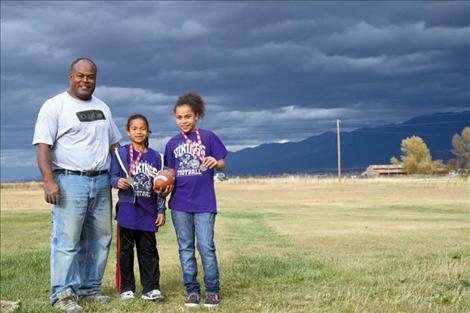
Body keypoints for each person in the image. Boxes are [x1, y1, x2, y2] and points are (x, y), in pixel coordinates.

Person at [32, 58, 121, 313]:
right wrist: (49, 181)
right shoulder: (54, 106)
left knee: (101, 238)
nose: (85, 81)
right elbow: (42, 145)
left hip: (102, 180)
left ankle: (90, 289)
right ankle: (63, 294)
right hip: (70, 180)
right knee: (67, 240)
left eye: (90, 77)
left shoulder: (103, 107)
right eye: (80, 76)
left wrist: (134, 166)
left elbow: (115, 145)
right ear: (71, 76)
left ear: (95, 79)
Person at [164, 92, 228, 308]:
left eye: (188, 117)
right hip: (180, 204)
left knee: (206, 246)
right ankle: (192, 290)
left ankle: (212, 290)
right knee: (185, 247)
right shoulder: (172, 143)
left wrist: (215, 162)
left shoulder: (208, 137)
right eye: (179, 117)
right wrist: (163, 184)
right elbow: (170, 171)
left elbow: (222, 164)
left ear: (197, 116)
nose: (183, 121)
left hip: (204, 203)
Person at [109, 114, 166, 302]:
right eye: (134, 128)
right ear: (128, 131)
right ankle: (127, 288)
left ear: (147, 131)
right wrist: (118, 181)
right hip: (127, 208)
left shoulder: (157, 157)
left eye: (142, 128)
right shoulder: (121, 153)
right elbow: (111, 176)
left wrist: (161, 210)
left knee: (148, 250)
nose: (139, 132)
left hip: (147, 210)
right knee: (125, 250)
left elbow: (160, 188)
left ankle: (151, 288)